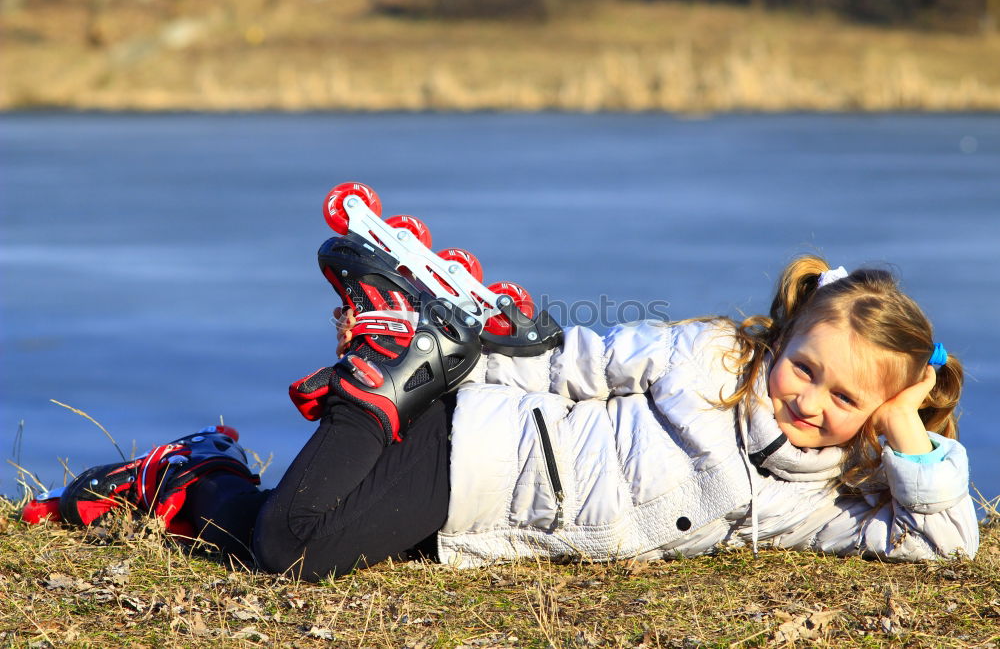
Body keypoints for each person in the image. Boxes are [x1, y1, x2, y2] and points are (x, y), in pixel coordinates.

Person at [23, 254, 978, 581]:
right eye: (803, 366)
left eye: (844, 397)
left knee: (280, 537)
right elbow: (573, 361)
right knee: (294, 551)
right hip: (474, 443)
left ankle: (189, 476)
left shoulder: (823, 506)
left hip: (476, 532)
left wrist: (906, 429)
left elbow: (948, 545)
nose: (807, 399)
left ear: (875, 413)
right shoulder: (708, 362)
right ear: (782, 339)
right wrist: (476, 350)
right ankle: (387, 371)